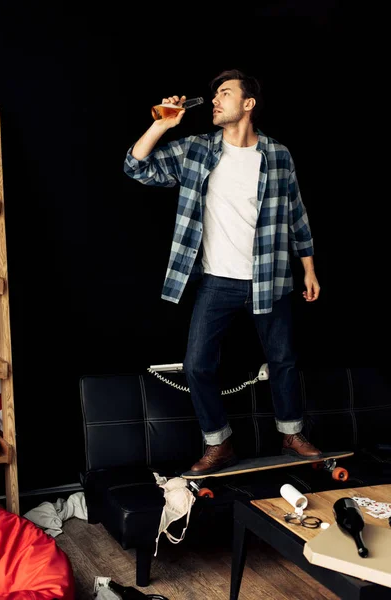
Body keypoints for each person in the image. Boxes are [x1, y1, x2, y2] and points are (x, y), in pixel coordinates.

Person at [124, 68, 322, 475]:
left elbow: (297, 215)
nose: (215, 100)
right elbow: (136, 166)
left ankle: (291, 433)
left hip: (271, 279)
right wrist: (160, 125)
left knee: (283, 360)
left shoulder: (278, 154)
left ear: (247, 104)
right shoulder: (197, 150)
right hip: (217, 281)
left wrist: (309, 270)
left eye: (225, 94)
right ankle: (219, 443)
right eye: (214, 95)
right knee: (197, 365)